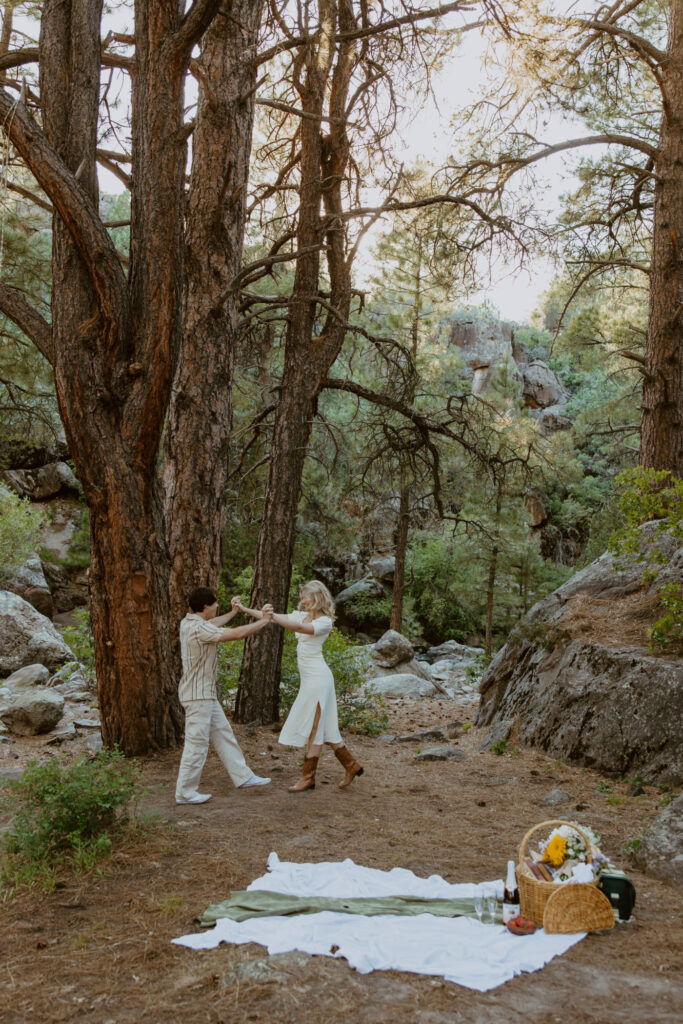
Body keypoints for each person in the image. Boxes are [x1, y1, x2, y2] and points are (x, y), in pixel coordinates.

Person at [236, 580, 364, 792]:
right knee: (322, 726)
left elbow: (298, 628)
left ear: (317, 598)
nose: (303, 601)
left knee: (316, 726)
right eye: (302, 597)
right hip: (310, 680)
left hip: (319, 679)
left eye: (306, 597)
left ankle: (309, 778)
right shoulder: (300, 614)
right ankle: (351, 765)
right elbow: (273, 619)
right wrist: (244, 609)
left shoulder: (324, 622)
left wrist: (271, 615)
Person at [175, 586, 272, 805]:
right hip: (198, 696)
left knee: (223, 733)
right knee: (196, 744)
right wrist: (264, 621)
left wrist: (234, 613)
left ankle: (243, 776)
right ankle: (185, 792)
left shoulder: (189, 622)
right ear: (206, 606)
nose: (218, 606)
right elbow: (237, 634)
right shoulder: (198, 629)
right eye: (216, 603)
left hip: (204, 694)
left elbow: (214, 624)